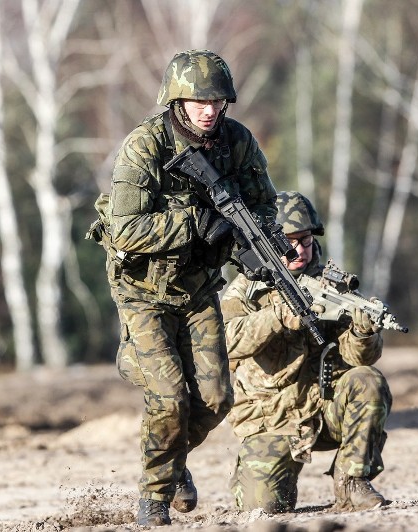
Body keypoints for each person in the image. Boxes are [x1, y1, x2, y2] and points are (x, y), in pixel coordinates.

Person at [91, 49, 278, 526]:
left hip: (198, 291)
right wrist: (197, 224)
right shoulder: (145, 146)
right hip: (143, 292)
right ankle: (153, 499)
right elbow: (127, 228)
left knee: (215, 399)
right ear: (176, 99)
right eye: (199, 100)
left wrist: (249, 242)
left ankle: (170, 465)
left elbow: (264, 208)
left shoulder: (236, 143)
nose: (210, 110)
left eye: (218, 100)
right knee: (170, 398)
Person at [221, 191, 392, 513]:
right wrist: (277, 316)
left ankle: (353, 480)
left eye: (306, 240)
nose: (299, 250)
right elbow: (226, 341)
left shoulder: (331, 286)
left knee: (367, 380)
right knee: (264, 506)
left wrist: (362, 333)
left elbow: (357, 360)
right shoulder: (245, 290)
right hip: (270, 419)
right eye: (289, 241)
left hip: (324, 408)